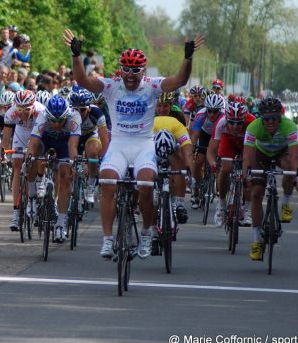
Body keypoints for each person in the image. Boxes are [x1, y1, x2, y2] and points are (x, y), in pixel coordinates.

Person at [63, 28, 204, 259]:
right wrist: (76, 56)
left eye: (135, 71)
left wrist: (187, 59)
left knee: (146, 183)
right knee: (107, 180)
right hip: (118, 143)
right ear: (121, 70)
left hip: (143, 144)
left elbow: (180, 80)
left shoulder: (152, 85)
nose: (130, 75)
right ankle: (108, 240)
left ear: (143, 71)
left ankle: (147, 233)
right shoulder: (111, 86)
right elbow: (82, 80)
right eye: (126, 69)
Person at [243, 97, 298, 261]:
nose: (270, 122)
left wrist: (295, 176)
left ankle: (286, 203)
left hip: (282, 153)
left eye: (274, 118)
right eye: (266, 119)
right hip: (260, 155)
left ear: (280, 116)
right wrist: (245, 175)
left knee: (289, 168)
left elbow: (295, 155)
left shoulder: (289, 126)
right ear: (261, 118)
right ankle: (256, 241)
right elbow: (247, 155)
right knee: (256, 194)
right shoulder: (254, 126)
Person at [26, 95, 81, 242]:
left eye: (60, 121)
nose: (56, 124)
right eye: (53, 121)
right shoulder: (43, 116)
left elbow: (73, 145)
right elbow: (33, 142)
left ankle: (60, 224)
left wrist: (74, 164)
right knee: (32, 157)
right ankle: (34, 190)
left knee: (64, 177)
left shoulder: (74, 117)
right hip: (46, 140)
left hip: (65, 144)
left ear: (66, 116)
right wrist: (29, 157)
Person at [1, 90, 46, 231]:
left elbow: (39, 137)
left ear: (33, 106)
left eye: (26, 110)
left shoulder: (41, 111)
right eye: (20, 109)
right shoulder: (11, 113)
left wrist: (31, 152)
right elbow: (6, 137)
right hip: (21, 133)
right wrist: (3, 154)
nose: (23, 113)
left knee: (35, 159)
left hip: (37, 133)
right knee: (17, 168)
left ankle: (38, 183)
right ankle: (16, 211)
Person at [207, 102, 255, 227]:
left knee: (248, 174)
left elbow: (257, 151)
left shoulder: (252, 123)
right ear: (226, 119)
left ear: (244, 120)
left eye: (239, 123)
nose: (235, 126)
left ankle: (248, 209)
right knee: (225, 168)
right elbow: (211, 150)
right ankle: (222, 205)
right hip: (228, 141)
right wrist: (213, 163)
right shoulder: (221, 123)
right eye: (231, 122)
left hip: (247, 144)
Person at [153, 93, 194, 223]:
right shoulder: (149, 115)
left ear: (171, 106)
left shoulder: (177, 116)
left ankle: (180, 203)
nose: (161, 110)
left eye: (165, 106)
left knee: (179, 160)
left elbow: (185, 146)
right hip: (152, 145)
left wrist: (188, 170)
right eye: (159, 106)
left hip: (173, 143)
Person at [69, 87, 109, 203]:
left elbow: (105, 140)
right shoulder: (69, 114)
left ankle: (91, 184)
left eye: (82, 110)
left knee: (92, 152)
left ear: (89, 108)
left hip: (90, 135)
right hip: (74, 135)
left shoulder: (97, 113)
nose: (79, 113)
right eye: (76, 110)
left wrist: (102, 159)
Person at [190, 93, 225, 209]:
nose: (212, 114)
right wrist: (193, 147)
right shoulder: (201, 114)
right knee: (198, 161)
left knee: (222, 162)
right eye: (209, 111)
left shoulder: (225, 116)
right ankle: (197, 187)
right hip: (205, 135)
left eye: (215, 111)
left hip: (220, 136)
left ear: (220, 110)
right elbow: (194, 135)